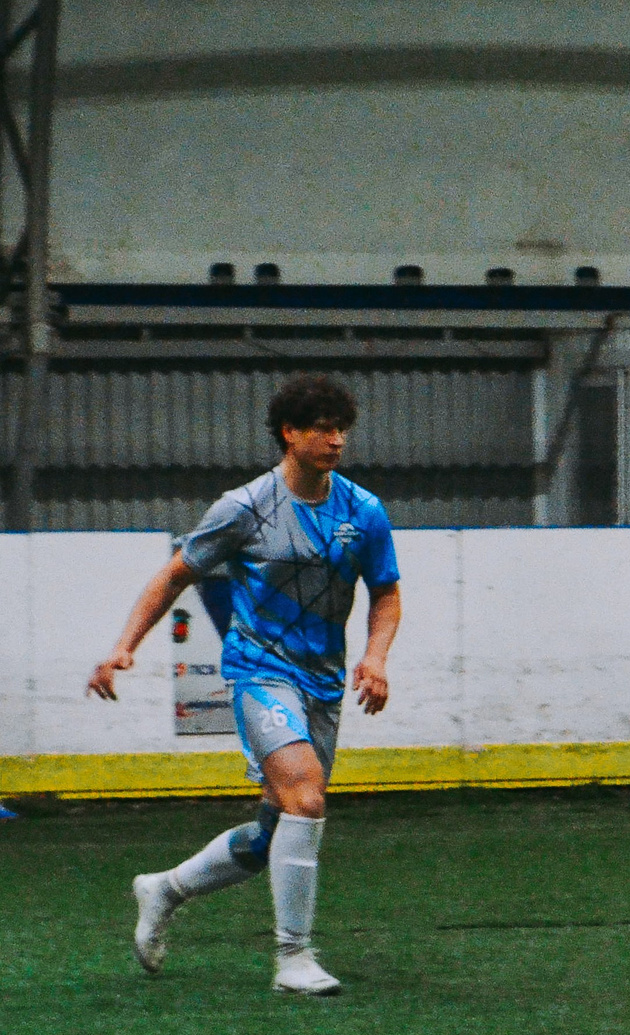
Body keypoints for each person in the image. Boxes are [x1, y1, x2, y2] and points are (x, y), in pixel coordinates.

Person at [87, 374, 402, 996]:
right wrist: (125, 646)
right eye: (323, 429)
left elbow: (386, 593)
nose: (337, 440)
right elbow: (174, 575)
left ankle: (164, 889)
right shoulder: (244, 507)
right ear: (289, 433)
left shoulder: (363, 511)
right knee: (306, 798)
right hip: (260, 673)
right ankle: (293, 958)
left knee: (270, 834)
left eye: (342, 429)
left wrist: (375, 658)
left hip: (323, 682)